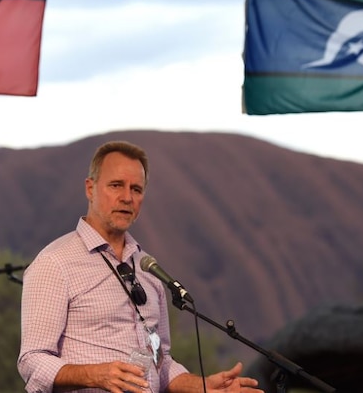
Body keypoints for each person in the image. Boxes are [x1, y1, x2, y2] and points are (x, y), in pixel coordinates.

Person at [18, 140, 263, 393]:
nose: (127, 197)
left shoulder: (148, 270)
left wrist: (202, 387)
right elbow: (32, 360)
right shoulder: (54, 263)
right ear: (90, 189)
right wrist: (95, 375)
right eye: (116, 186)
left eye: (136, 189)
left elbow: (161, 362)